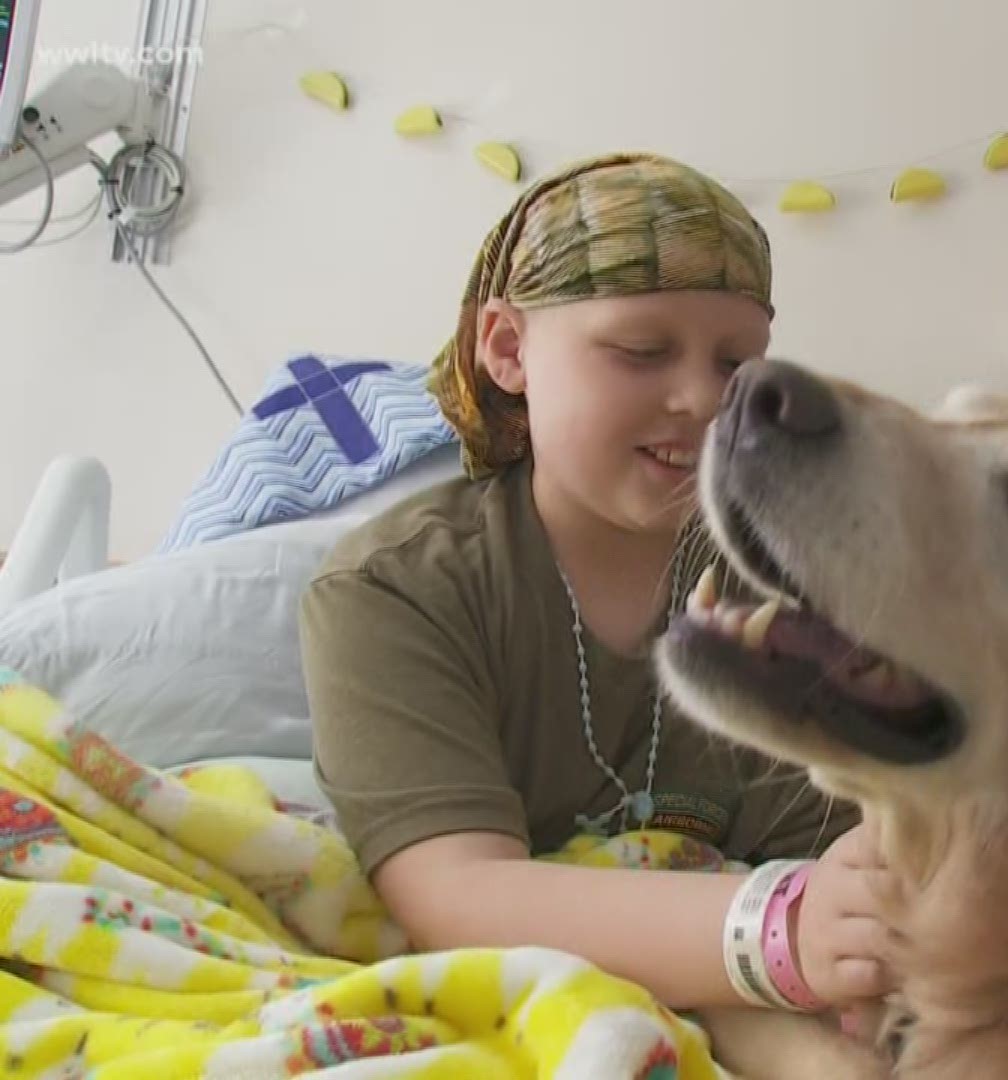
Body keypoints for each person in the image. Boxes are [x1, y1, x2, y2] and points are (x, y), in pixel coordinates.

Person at [299, 151, 889, 1020]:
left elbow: (863, 850)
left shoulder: (786, 590)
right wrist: (777, 929)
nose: (701, 399)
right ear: (508, 349)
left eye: (737, 367)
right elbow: (455, 896)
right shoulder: (393, 592)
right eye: (641, 351)